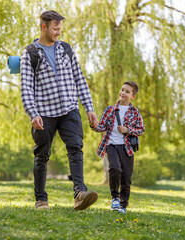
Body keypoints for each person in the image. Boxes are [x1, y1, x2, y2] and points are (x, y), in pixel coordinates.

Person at [20, 10, 99, 210]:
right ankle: (41, 199)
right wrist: (33, 112)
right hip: (43, 113)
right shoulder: (29, 53)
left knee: (75, 148)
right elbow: (26, 87)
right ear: (43, 27)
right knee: (42, 155)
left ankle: (80, 193)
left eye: (60, 29)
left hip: (69, 109)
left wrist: (89, 108)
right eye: (55, 29)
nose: (58, 33)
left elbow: (79, 79)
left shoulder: (66, 49)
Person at [91, 81, 145, 213]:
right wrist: (94, 125)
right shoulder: (110, 109)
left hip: (127, 147)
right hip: (111, 144)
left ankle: (123, 205)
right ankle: (115, 197)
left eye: (127, 91)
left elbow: (141, 129)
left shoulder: (135, 112)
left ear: (133, 96)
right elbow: (102, 126)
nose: (123, 93)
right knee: (115, 168)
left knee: (126, 177)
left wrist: (128, 129)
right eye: (122, 90)